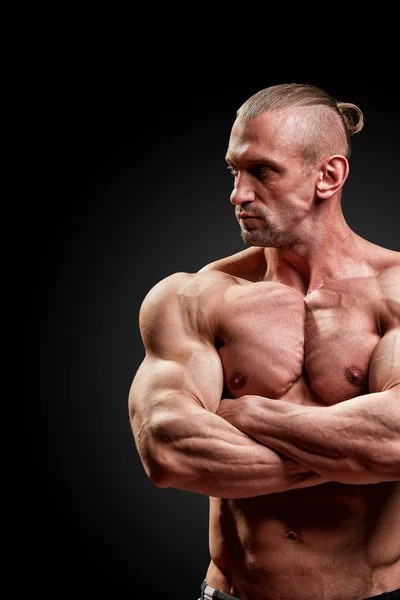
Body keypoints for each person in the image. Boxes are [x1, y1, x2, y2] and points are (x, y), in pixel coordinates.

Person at [128, 83, 400, 600]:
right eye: (234, 171)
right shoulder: (193, 296)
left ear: (329, 176)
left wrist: (251, 416)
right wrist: (353, 458)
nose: (238, 194)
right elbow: (168, 450)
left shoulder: (395, 291)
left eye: (263, 171)